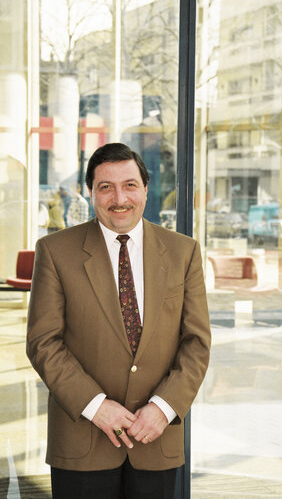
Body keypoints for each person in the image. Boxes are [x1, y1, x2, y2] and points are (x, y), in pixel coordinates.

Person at [26, 142, 211, 499]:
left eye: (129, 185)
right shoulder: (55, 251)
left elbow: (197, 343)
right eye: (105, 187)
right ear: (90, 193)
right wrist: (96, 406)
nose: (119, 197)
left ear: (145, 188)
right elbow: (43, 342)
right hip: (82, 440)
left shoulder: (183, 252)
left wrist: (163, 408)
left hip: (156, 437)